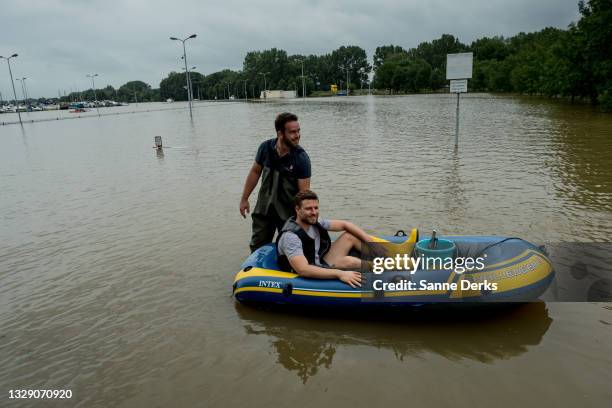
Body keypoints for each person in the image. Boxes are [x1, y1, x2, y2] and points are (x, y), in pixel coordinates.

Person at [240, 112, 311, 252]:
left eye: (298, 131)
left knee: (289, 250)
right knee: (257, 247)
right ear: (280, 134)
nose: (297, 135)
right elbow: (255, 172)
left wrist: (303, 219)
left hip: (288, 214)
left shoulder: (301, 158)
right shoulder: (265, 148)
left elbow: (304, 194)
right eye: (292, 132)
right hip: (264, 210)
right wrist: (244, 199)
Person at [276, 190, 375, 288]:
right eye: (309, 209)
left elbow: (345, 225)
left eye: (316, 208)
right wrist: (340, 274)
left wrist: (371, 242)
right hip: (310, 271)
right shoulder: (290, 237)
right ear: (297, 209)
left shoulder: (315, 221)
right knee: (351, 262)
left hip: (320, 261)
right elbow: (303, 269)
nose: (314, 212)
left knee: (350, 236)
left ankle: (384, 258)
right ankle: (380, 268)